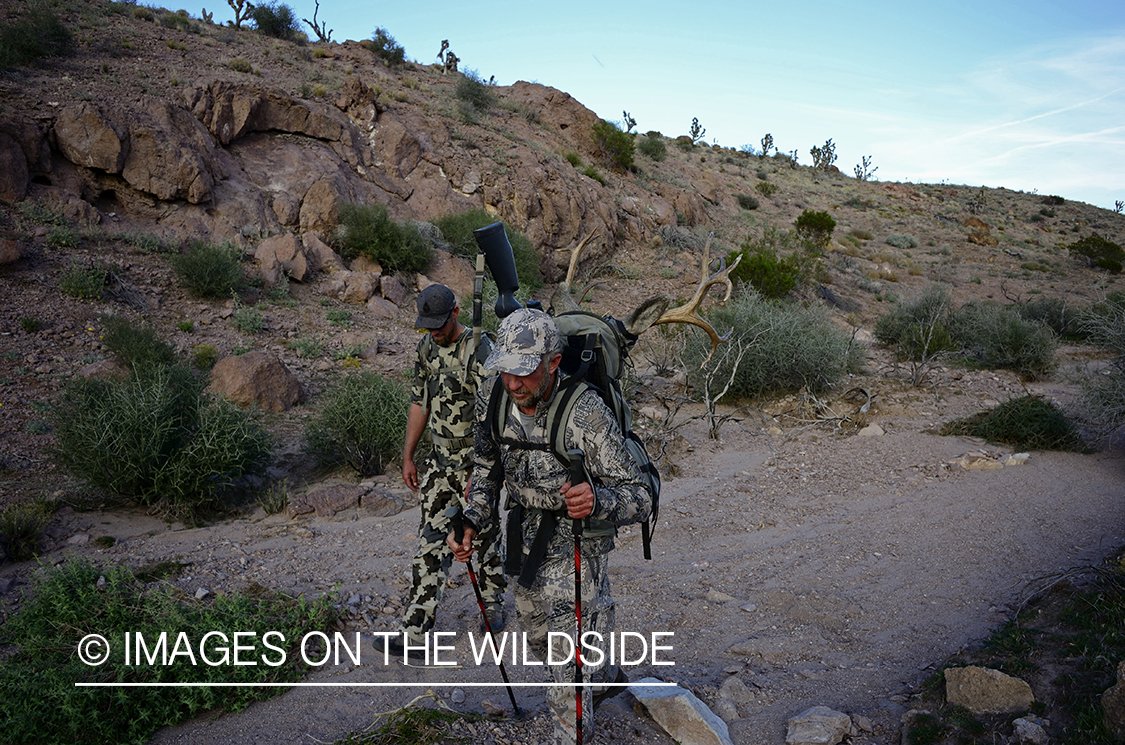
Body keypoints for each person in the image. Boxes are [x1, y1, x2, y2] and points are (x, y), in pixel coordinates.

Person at [448, 308, 651, 744]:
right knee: (538, 640)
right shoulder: (494, 394)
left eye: (524, 373)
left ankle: (577, 706)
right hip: (524, 537)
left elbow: (640, 495)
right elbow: (486, 469)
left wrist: (598, 500)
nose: (514, 383)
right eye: (506, 371)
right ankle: (604, 674)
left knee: (567, 670)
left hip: (578, 542)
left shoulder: (586, 413)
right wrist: (471, 520)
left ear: (553, 363)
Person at [393, 284, 506, 658]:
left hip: (477, 463)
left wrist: (484, 470)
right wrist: (409, 455)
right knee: (430, 542)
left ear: (456, 312)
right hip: (440, 465)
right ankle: (415, 632)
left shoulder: (480, 348)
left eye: (439, 324)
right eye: (427, 325)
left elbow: (495, 414)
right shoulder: (426, 348)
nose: (434, 332)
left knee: (484, 536)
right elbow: (418, 403)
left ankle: (493, 605)